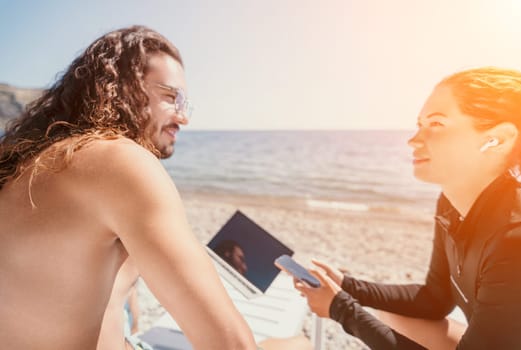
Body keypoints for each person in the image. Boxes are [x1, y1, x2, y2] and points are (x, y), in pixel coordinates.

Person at [0, 25, 312, 350]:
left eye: (185, 103)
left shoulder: (27, 161)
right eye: (169, 97)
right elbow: (231, 345)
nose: (184, 117)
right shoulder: (120, 161)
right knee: (295, 345)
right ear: (122, 90)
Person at [294, 67, 521, 349]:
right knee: (393, 316)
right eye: (419, 125)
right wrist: (347, 285)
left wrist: (340, 309)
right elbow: (433, 299)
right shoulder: (452, 204)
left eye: (436, 124)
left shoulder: (516, 238)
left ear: (497, 140)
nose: (413, 140)